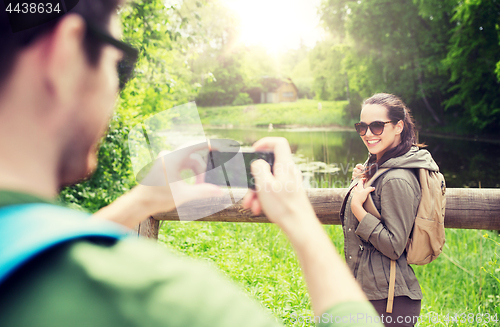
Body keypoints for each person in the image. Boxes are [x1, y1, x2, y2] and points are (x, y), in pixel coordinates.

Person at [0, 1, 382, 326]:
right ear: (65, 56)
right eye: (120, 65)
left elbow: (27, 242)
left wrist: (142, 200)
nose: (115, 89)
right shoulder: (167, 302)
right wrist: (300, 219)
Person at [342, 93, 441, 326]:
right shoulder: (380, 167)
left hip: (389, 304)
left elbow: (395, 245)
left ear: (398, 127)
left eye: (377, 126)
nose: (367, 134)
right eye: (362, 127)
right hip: (370, 295)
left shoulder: (397, 178)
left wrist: (359, 210)